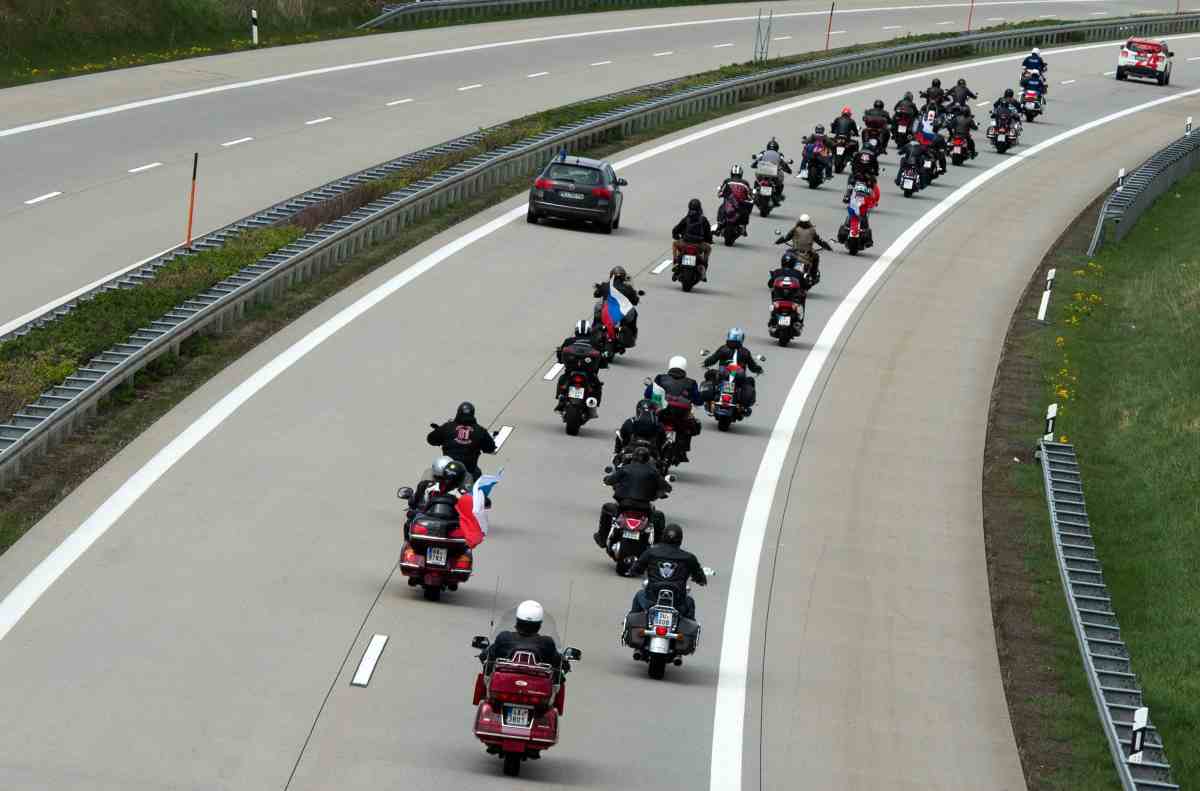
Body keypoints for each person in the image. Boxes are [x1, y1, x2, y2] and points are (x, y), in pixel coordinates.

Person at [629, 524, 708, 620]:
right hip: (678, 603)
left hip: (651, 600)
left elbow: (635, 569)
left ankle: (629, 629)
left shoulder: (651, 552)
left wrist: (633, 571)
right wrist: (700, 580)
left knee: (639, 595)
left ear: (663, 536)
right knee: (690, 603)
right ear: (680, 540)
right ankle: (687, 634)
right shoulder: (689, 558)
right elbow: (700, 577)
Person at [598, 447, 671, 547]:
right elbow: (667, 487)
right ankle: (659, 546)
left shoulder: (626, 468)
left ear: (633, 457)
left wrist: (607, 480)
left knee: (607, 508)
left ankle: (602, 538)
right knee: (659, 517)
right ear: (647, 459)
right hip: (644, 507)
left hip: (624, 505)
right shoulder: (653, 472)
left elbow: (610, 480)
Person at [645, 355, 704, 461]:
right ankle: (682, 451)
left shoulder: (660, 378)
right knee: (688, 427)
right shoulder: (691, 383)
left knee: (649, 420)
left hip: (662, 414)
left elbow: (648, 393)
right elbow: (699, 400)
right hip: (680, 418)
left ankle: (647, 443)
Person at [480, 600, 565, 672]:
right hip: (535, 687)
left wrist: (484, 654)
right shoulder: (547, 642)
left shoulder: (504, 637)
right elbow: (560, 664)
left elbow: (486, 656)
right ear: (539, 624)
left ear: (517, 620)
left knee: (484, 676)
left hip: (503, 683)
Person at [427, 402, 496, 481]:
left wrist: (442, 436)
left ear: (458, 412)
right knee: (478, 474)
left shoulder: (448, 427)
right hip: (468, 472)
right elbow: (490, 448)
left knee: (431, 474)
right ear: (473, 414)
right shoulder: (480, 431)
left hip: (447, 469)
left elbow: (430, 440)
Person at [702, 327, 763, 410]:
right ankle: (743, 407)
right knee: (750, 381)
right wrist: (759, 369)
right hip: (739, 377)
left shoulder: (723, 349)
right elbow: (752, 366)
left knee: (709, 374)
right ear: (742, 338)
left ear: (729, 336)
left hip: (723, 374)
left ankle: (709, 402)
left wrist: (705, 363)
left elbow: (713, 359)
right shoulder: (745, 352)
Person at [555, 319, 604, 416]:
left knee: (562, 379)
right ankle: (593, 404)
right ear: (589, 330)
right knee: (597, 385)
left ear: (576, 330)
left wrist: (560, 359)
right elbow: (602, 357)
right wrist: (603, 364)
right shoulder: (594, 342)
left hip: (571, 371)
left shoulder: (569, 340)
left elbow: (560, 353)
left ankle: (560, 397)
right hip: (589, 374)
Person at [775, 214, 833, 279]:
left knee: (786, 256)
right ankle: (813, 276)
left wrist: (778, 242)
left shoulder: (795, 229)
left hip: (795, 252)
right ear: (808, 222)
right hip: (807, 253)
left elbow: (786, 237)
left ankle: (783, 271)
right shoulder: (812, 230)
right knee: (816, 257)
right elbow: (819, 241)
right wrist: (828, 247)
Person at [592, 265, 640, 342]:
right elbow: (635, 301)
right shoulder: (627, 288)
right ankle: (633, 334)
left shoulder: (605, 285)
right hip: (621, 312)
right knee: (634, 313)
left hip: (607, 310)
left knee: (598, 307)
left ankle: (593, 329)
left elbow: (596, 294)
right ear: (623, 277)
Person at [671, 198, 714, 280]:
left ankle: (675, 261)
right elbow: (708, 234)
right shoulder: (703, 219)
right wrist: (709, 240)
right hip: (699, 245)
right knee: (708, 248)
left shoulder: (686, 218)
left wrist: (676, 236)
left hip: (685, 243)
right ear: (700, 208)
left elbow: (676, 229)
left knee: (674, 244)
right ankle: (704, 266)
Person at [767, 253, 809, 328]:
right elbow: (805, 286)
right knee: (803, 297)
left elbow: (770, 284)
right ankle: (800, 320)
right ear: (794, 263)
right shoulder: (798, 273)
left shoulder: (777, 272)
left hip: (779, 299)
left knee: (773, 293)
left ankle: (772, 318)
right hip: (793, 300)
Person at [752, 138, 793, 203]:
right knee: (780, 184)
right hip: (773, 174)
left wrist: (753, 165)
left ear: (767, 147)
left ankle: (753, 193)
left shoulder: (763, 153)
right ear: (777, 148)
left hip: (762, 172)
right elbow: (784, 164)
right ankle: (778, 195)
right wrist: (789, 170)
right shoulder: (779, 154)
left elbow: (757, 160)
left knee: (756, 182)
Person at [844, 137, 881, 204]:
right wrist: (876, 172)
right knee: (872, 183)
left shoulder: (857, 154)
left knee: (851, 181)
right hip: (868, 175)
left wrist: (855, 171)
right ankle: (872, 198)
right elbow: (876, 166)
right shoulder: (873, 156)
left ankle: (847, 195)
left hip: (858, 174)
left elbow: (853, 164)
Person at [718, 163, 753, 232]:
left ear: (731, 173)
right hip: (740, 205)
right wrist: (749, 198)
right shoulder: (745, 183)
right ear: (741, 174)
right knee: (746, 212)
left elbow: (721, 193)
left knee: (721, 209)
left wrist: (720, 194)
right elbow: (749, 196)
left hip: (728, 204)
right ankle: (743, 227)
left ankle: (719, 224)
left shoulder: (727, 181)